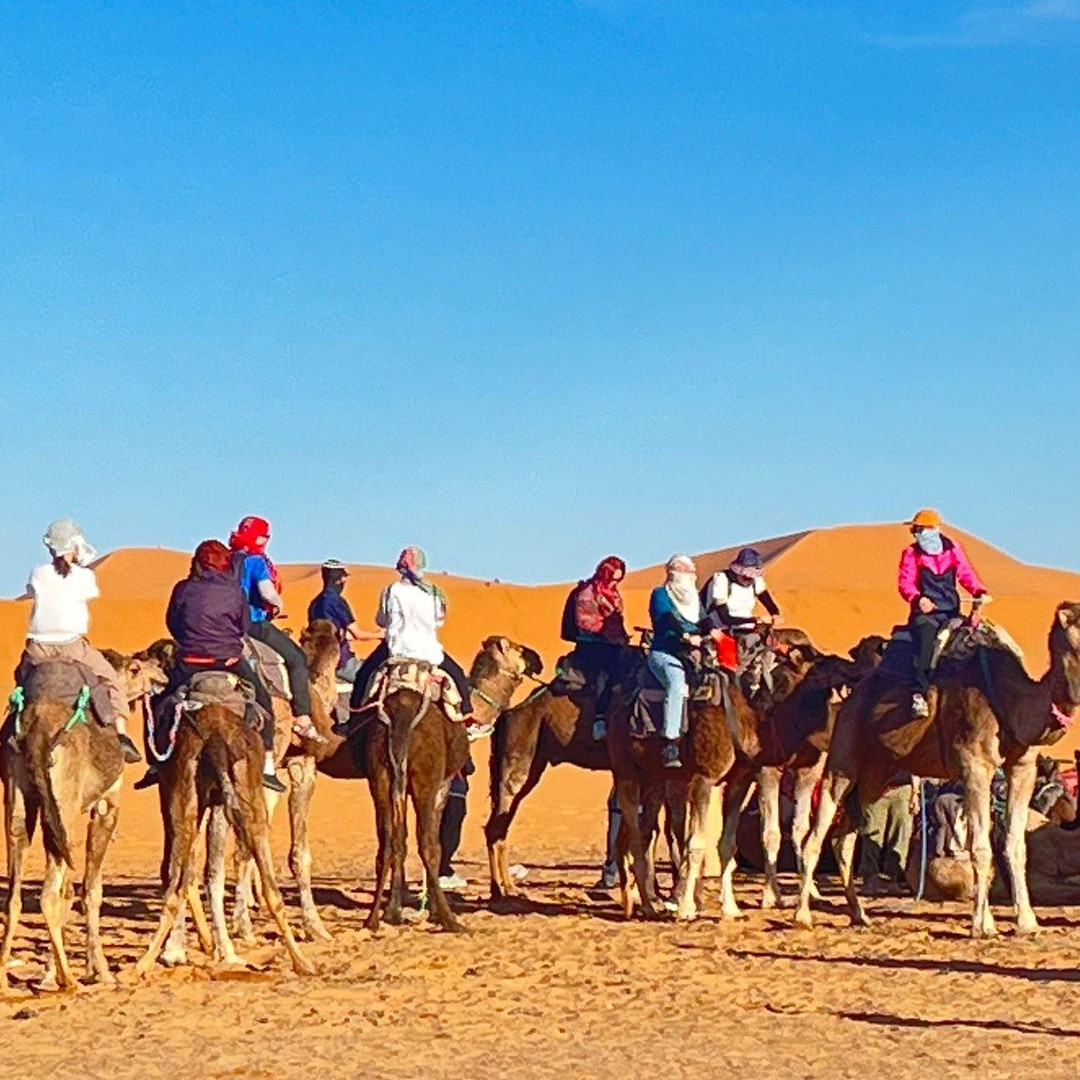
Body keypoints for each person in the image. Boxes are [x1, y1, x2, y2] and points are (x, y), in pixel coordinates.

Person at [136, 540, 284, 792]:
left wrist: (191, 639)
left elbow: (173, 622)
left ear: (198, 563)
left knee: (156, 702)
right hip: (230, 662)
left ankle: (155, 763)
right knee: (263, 700)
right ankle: (268, 766)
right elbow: (244, 627)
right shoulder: (235, 591)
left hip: (190, 662)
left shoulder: (183, 589)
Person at [18, 518, 141, 763]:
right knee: (111, 679)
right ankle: (121, 735)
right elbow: (89, 592)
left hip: (37, 650)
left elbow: (33, 591)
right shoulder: (85, 577)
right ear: (74, 545)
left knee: (21, 683)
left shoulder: (37, 573)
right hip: (73, 648)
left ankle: (15, 727)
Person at [350, 547, 480, 733]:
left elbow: (382, 620)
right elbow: (439, 621)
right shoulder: (434, 593)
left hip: (396, 649)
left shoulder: (390, 591)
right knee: (458, 674)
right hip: (428, 651)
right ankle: (468, 718)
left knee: (363, 675)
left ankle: (352, 720)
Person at [229, 516, 321, 742]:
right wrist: (278, 605)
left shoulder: (227, 559)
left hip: (227, 624)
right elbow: (266, 592)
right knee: (297, 658)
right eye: (264, 536)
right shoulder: (256, 561)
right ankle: (302, 717)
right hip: (253, 623)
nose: (266, 541)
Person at [898, 509, 988, 717]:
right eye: (915, 530)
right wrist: (918, 598)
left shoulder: (952, 549)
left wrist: (978, 591)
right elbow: (905, 582)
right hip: (925, 614)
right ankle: (919, 694)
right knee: (926, 638)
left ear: (933, 529)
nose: (916, 533)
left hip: (951, 612)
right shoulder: (911, 553)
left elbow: (965, 573)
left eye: (919, 529)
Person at [647, 554, 703, 769]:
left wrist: (714, 632)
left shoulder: (694, 599)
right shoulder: (660, 594)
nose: (687, 574)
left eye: (688, 570)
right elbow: (666, 617)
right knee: (677, 684)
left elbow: (704, 619)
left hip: (694, 652)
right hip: (665, 652)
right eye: (681, 570)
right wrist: (685, 635)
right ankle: (671, 741)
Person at [569, 555, 630, 738]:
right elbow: (583, 620)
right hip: (590, 644)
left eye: (618, 580)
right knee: (611, 672)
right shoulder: (587, 593)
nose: (614, 583)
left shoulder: (613, 595)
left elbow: (617, 621)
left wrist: (620, 636)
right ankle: (599, 718)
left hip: (612, 644)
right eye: (612, 578)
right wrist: (604, 630)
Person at [307, 560, 383, 682]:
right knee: (376, 679)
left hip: (317, 659)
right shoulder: (337, 602)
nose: (345, 580)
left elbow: (333, 634)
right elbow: (358, 634)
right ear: (339, 579)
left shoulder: (315, 603)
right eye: (344, 576)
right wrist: (381, 634)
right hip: (340, 661)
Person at [858, 770, 916, 894]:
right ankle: (870, 878)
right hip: (875, 787)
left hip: (903, 788)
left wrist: (915, 792)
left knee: (901, 835)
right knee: (872, 833)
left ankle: (893, 878)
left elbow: (916, 768)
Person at [703, 547, 781, 634]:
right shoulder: (722, 580)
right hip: (720, 629)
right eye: (747, 577)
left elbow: (765, 598)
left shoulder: (756, 581)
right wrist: (755, 619)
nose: (749, 580)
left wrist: (775, 614)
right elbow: (725, 618)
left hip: (748, 628)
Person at [437, 754, 476, 890]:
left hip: (439, 794)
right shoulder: (457, 747)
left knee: (441, 832)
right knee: (451, 835)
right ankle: (442, 871)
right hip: (455, 793)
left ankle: (441, 869)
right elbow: (470, 768)